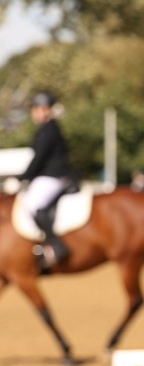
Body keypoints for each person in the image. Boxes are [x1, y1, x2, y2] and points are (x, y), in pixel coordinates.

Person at [17, 92, 75, 269]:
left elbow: (39, 158)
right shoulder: (46, 129)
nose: (33, 113)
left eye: (35, 109)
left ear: (44, 109)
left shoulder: (49, 129)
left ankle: (56, 244)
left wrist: (24, 177)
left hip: (53, 175)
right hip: (48, 175)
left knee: (34, 204)